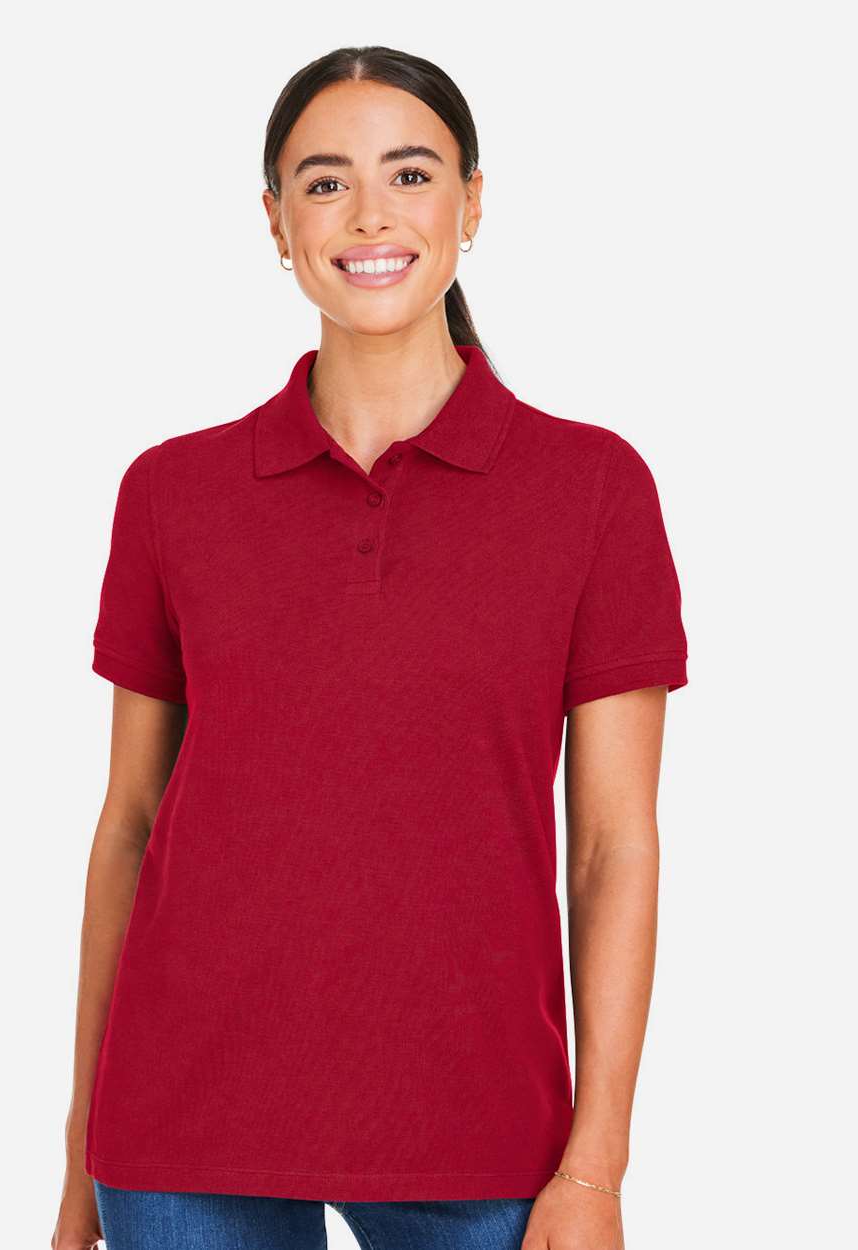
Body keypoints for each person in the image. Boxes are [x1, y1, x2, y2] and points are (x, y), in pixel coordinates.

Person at [52, 45, 688, 1250]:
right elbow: (129, 825)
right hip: (182, 1130)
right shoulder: (171, 493)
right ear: (276, 222)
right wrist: (83, 1141)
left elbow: (614, 846)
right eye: (325, 182)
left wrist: (596, 1164)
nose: (369, 215)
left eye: (409, 173)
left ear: (471, 203)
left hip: (486, 1133)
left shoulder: (592, 489)